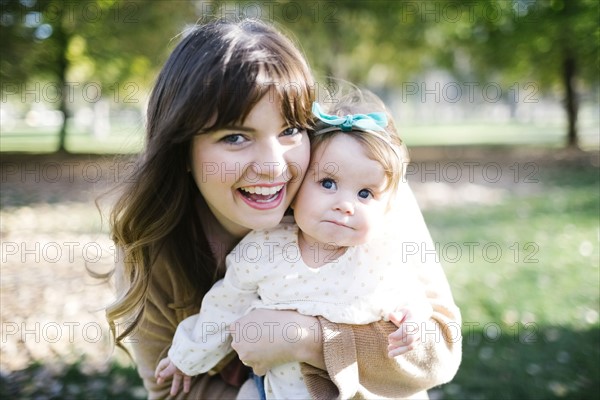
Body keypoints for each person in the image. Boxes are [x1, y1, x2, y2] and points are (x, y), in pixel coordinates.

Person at [107, 18, 462, 400]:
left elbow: (438, 352)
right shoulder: (153, 252)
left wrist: (307, 340)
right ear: (183, 151)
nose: (274, 166)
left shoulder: (367, 195)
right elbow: (170, 392)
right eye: (236, 137)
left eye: (290, 130)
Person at [155, 92, 437, 399]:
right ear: (299, 184)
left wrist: (413, 321)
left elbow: (411, 299)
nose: (345, 205)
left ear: (388, 207)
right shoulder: (264, 249)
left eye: (365, 194)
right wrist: (185, 359)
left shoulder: (381, 254)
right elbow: (223, 308)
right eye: (327, 183)